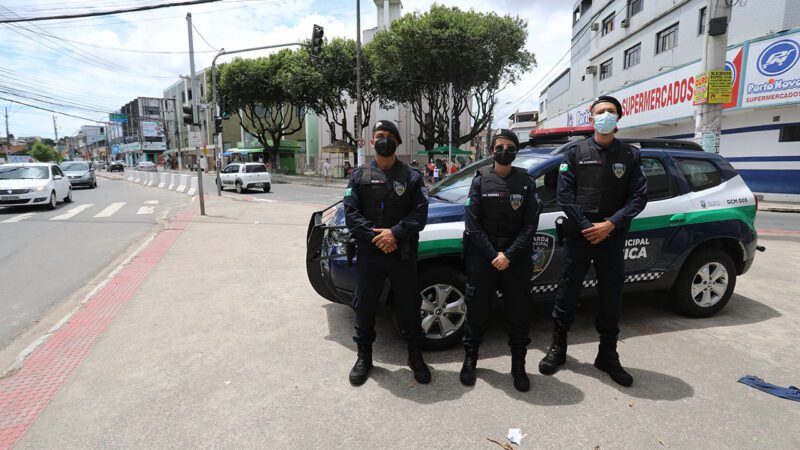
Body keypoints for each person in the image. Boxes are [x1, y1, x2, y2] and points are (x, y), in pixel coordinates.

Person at [538, 95, 648, 387]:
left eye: (611, 112)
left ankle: (607, 355)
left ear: (619, 118)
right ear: (591, 119)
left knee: (612, 296)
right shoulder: (575, 153)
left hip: (611, 237)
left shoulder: (631, 155)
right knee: (567, 293)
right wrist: (589, 226)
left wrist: (610, 224)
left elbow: (639, 197)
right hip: (580, 235)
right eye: (600, 112)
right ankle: (559, 349)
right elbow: (564, 195)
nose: (605, 116)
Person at [343, 120, 431, 386]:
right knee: (365, 305)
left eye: (389, 136)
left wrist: (394, 233)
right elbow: (351, 214)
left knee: (409, 305)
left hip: (401, 253)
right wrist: (377, 236)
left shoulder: (413, 177)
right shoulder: (358, 176)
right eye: (379, 136)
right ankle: (364, 357)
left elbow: (420, 214)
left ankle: (415, 356)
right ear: (371, 142)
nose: (384, 140)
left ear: (397, 143)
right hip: (370, 253)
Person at [460, 129, 541, 392]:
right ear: (491, 150)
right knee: (477, 311)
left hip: (515, 258)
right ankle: (470, 359)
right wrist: (494, 255)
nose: (504, 151)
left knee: (518, 313)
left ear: (516, 151)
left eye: (510, 147)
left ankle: (518, 365)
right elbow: (472, 224)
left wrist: (509, 254)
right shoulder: (480, 180)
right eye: (499, 147)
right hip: (484, 256)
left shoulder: (527, 181)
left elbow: (530, 225)